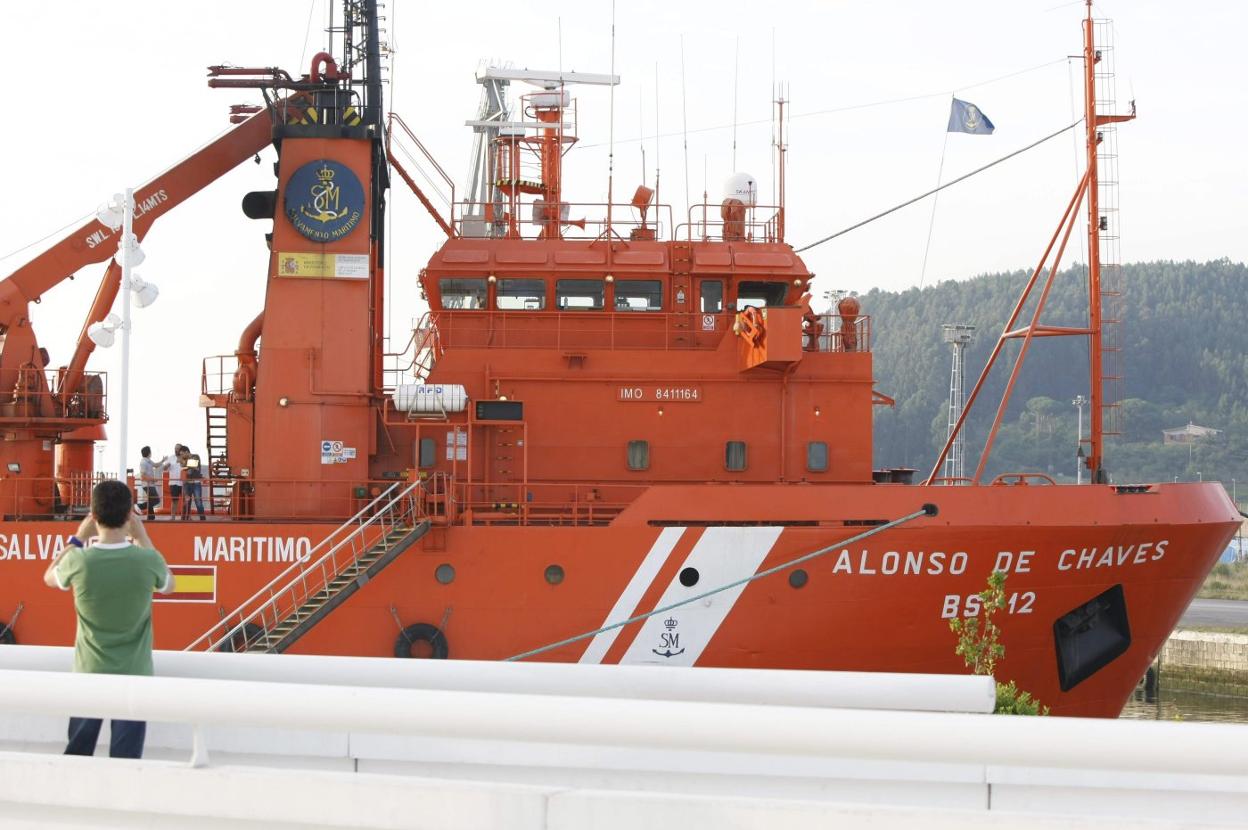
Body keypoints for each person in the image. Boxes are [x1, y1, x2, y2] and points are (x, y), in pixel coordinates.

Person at [42, 479, 174, 759]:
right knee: (126, 761)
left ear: (93, 515)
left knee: (77, 754)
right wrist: (142, 537)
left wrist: (78, 536)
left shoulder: (79, 561)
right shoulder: (146, 561)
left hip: (88, 675)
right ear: (130, 516)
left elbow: (49, 576)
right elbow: (169, 583)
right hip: (135, 677)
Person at [180, 446, 206, 520]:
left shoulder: (195, 456)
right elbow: (183, 467)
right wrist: (185, 463)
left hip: (196, 483)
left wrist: (184, 462)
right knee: (186, 503)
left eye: (182, 454)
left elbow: (193, 464)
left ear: (186, 452)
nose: (181, 456)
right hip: (187, 483)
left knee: (198, 502)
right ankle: (184, 519)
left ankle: (202, 519)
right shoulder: (185, 460)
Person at [138, 446, 164, 520]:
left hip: (150, 484)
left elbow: (155, 465)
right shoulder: (143, 462)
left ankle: (151, 517)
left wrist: (162, 460)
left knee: (151, 500)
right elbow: (142, 476)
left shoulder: (148, 461)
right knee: (156, 500)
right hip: (147, 485)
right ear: (149, 453)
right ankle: (140, 506)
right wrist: (153, 479)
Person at [167, 444, 183, 520]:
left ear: (181, 449)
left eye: (177, 448)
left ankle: (185, 516)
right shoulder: (170, 458)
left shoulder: (185, 457)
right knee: (174, 500)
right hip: (173, 483)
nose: (176, 450)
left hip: (184, 483)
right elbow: (164, 468)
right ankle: (172, 517)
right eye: (175, 448)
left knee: (186, 500)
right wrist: (166, 465)